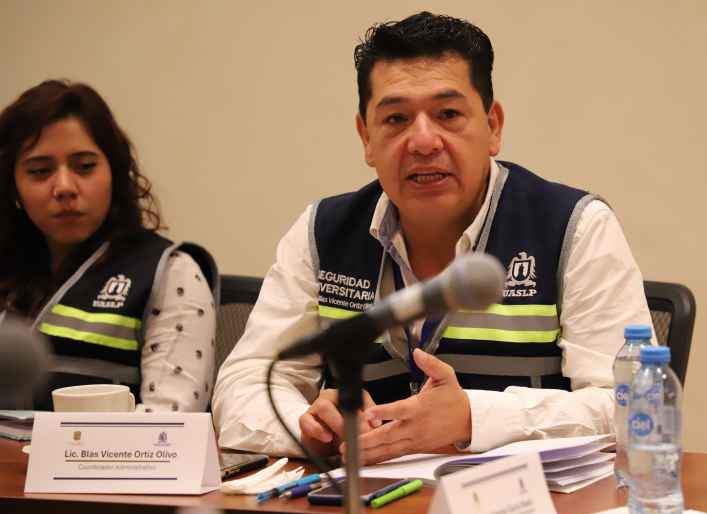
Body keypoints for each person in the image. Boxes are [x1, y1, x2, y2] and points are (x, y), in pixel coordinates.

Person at [213, 12, 654, 462]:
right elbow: (245, 381)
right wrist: (308, 427)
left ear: (493, 126)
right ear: (366, 137)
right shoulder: (322, 232)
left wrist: (473, 419)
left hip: (534, 503)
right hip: (371, 500)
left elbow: (634, 403)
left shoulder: (574, 227)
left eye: (448, 114)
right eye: (396, 118)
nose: (423, 141)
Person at [0, 80, 218, 412]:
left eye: (85, 166)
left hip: (111, 448)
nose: (64, 187)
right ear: (13, 185)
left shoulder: (171, 272)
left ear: (115, 173)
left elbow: (168, 424)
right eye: (40, 171)